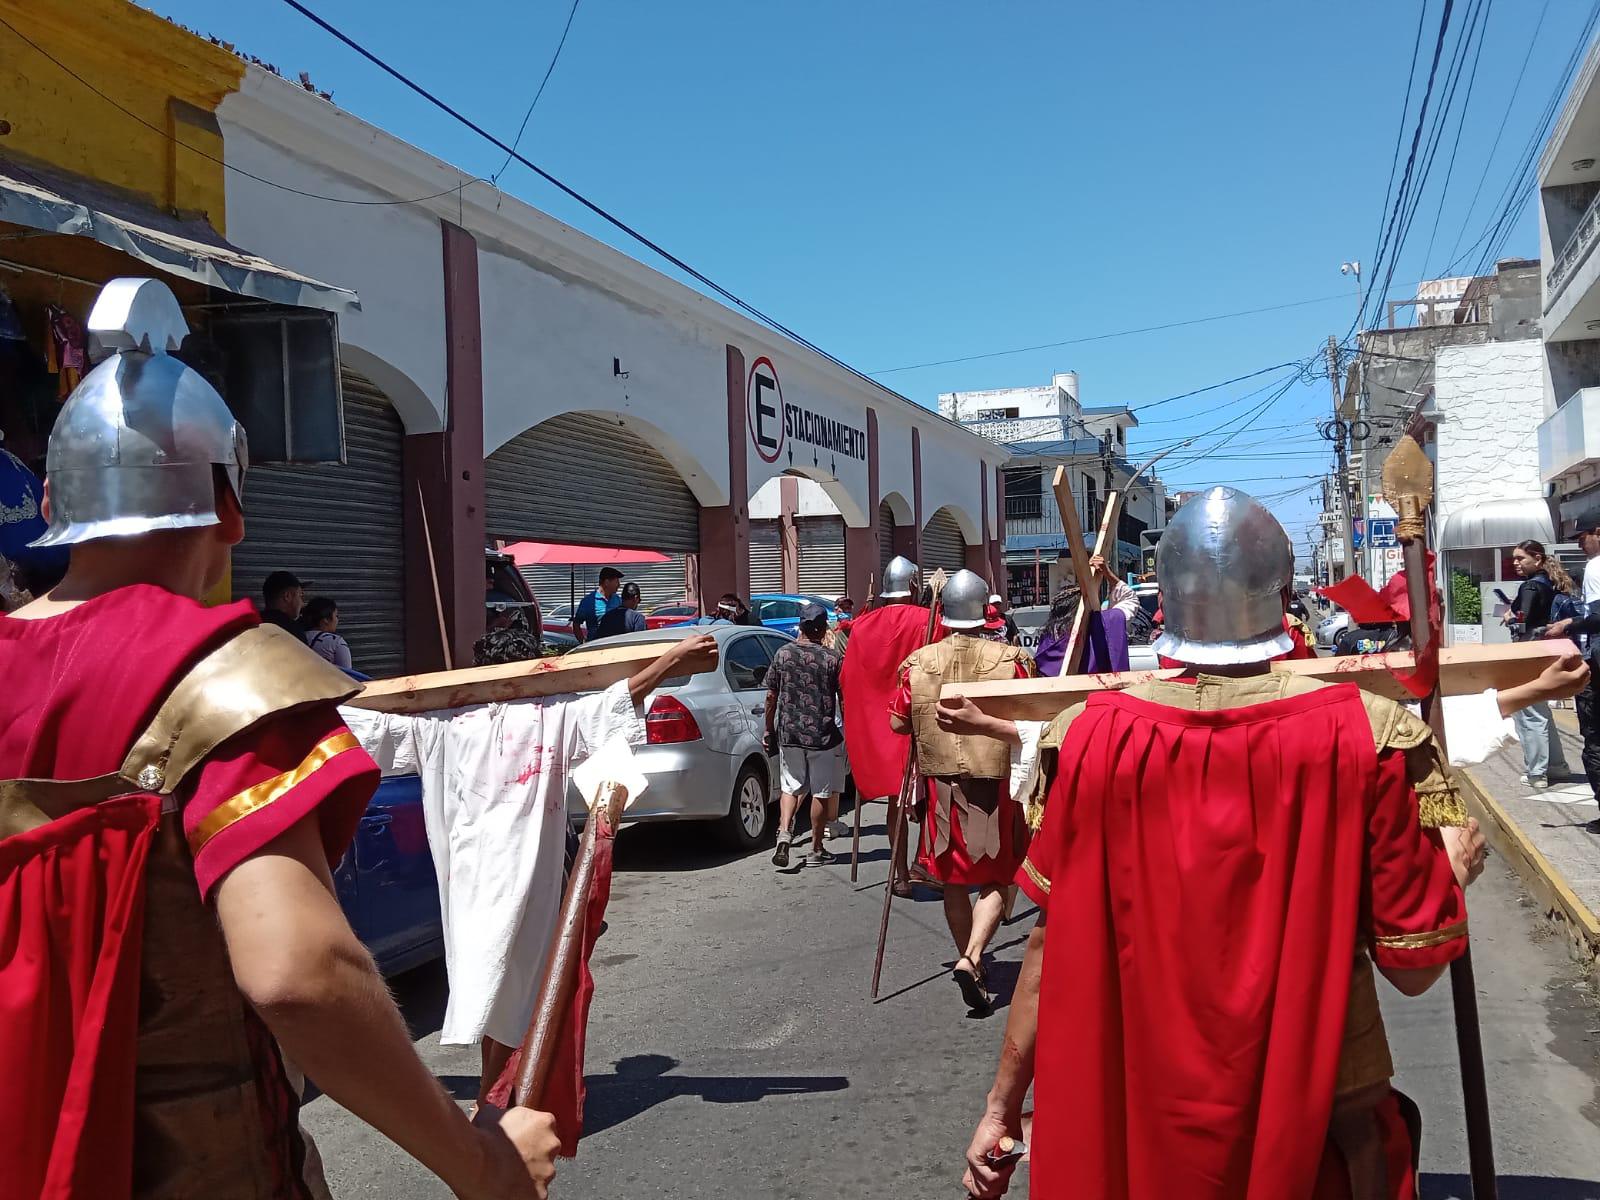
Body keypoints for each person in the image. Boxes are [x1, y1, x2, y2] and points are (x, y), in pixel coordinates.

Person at [0, 278, 559, 1200]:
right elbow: (299, 972)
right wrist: (483, 1165)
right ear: (229, 507)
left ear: (57, 502)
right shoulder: (230, 679)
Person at [955, 486, 1480, 1200]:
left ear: (1167, 604)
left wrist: (1000, 1108)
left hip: (1137, 1113)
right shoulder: (1369, 735)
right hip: (1315, 1120)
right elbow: (1414, 969)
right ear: (1285, 598)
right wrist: (1455, 869)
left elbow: (1048, 950)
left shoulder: (1087, 740)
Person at [888, 569, 1034, 1015]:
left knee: (952, 878)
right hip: (995, 785)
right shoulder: (1012, 659)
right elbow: (1030, 714)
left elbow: (897, 722)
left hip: (941, 788)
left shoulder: (917, 662)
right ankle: (971, 956)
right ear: (984, 612)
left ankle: (971, 960)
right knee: (998, 874)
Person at [841, 556, 936, 897]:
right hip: (920, 723)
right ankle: (928, 866)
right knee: (935, 798)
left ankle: (902, 876)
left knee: (897, 801)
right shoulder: (928, 619)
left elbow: (848, 679)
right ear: (912, 585)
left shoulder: (862, 625)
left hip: (883, 727)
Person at [764, 602, 846, 868]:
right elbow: (844, 698)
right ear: (823, 630)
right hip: (822, 735)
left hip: (789, 732)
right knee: (820, 791)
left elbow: (771, 696)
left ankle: (784, 833)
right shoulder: (832, 659)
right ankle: (816, 850)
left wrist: (769, 728)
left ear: (800, 626)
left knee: (790, 787)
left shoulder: (783, 654)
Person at [1502, 539, 1576, 789]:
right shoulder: (1551, 583)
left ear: (1537, 559)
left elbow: (1522, 622)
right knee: (1541, 711)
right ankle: (1556, 766)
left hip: (1529, 653)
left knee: (1529, 712)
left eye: (1520, 558)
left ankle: (1537, 772)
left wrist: (1510, 617)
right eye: (1514, 558)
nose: (1516, 563)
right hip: (1549, 651)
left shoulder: (1531, 586)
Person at [1032, 555, 1138, 677]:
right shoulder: (1103, 625)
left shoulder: (1049, 638)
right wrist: (1107, 573)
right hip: (1098, 687)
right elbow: (1130, 599)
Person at [303, 594, 355, 670]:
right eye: (336, 616)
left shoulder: (296, 637)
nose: (337, 620)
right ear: (326, 620)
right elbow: (347, 674)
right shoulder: (336, 642)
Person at [573, 567, 624, 641]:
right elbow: (576, 624)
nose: (619, 585)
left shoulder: (618, 600)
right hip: (596, 644)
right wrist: (583, 642)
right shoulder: (588, 601)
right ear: (607, 582)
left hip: (615, 643)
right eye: (616, 582)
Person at [261, 568, 308, 635]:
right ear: (287, 596)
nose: (302, 604)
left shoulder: (253, 624)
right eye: (300, 595)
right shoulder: (292, 630)